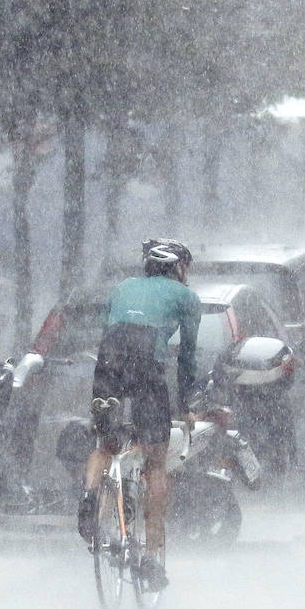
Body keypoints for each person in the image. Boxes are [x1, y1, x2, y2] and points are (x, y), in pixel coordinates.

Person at [76, 238, 201, 591]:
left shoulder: (122, 288)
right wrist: (188, 404)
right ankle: (150, 559)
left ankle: (89, 497)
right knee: (156, 460)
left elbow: (107, 332)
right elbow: (187, 358)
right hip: (147, 365)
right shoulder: (186, 298)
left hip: (110, 359)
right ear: (178, 267)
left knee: (106, 442)